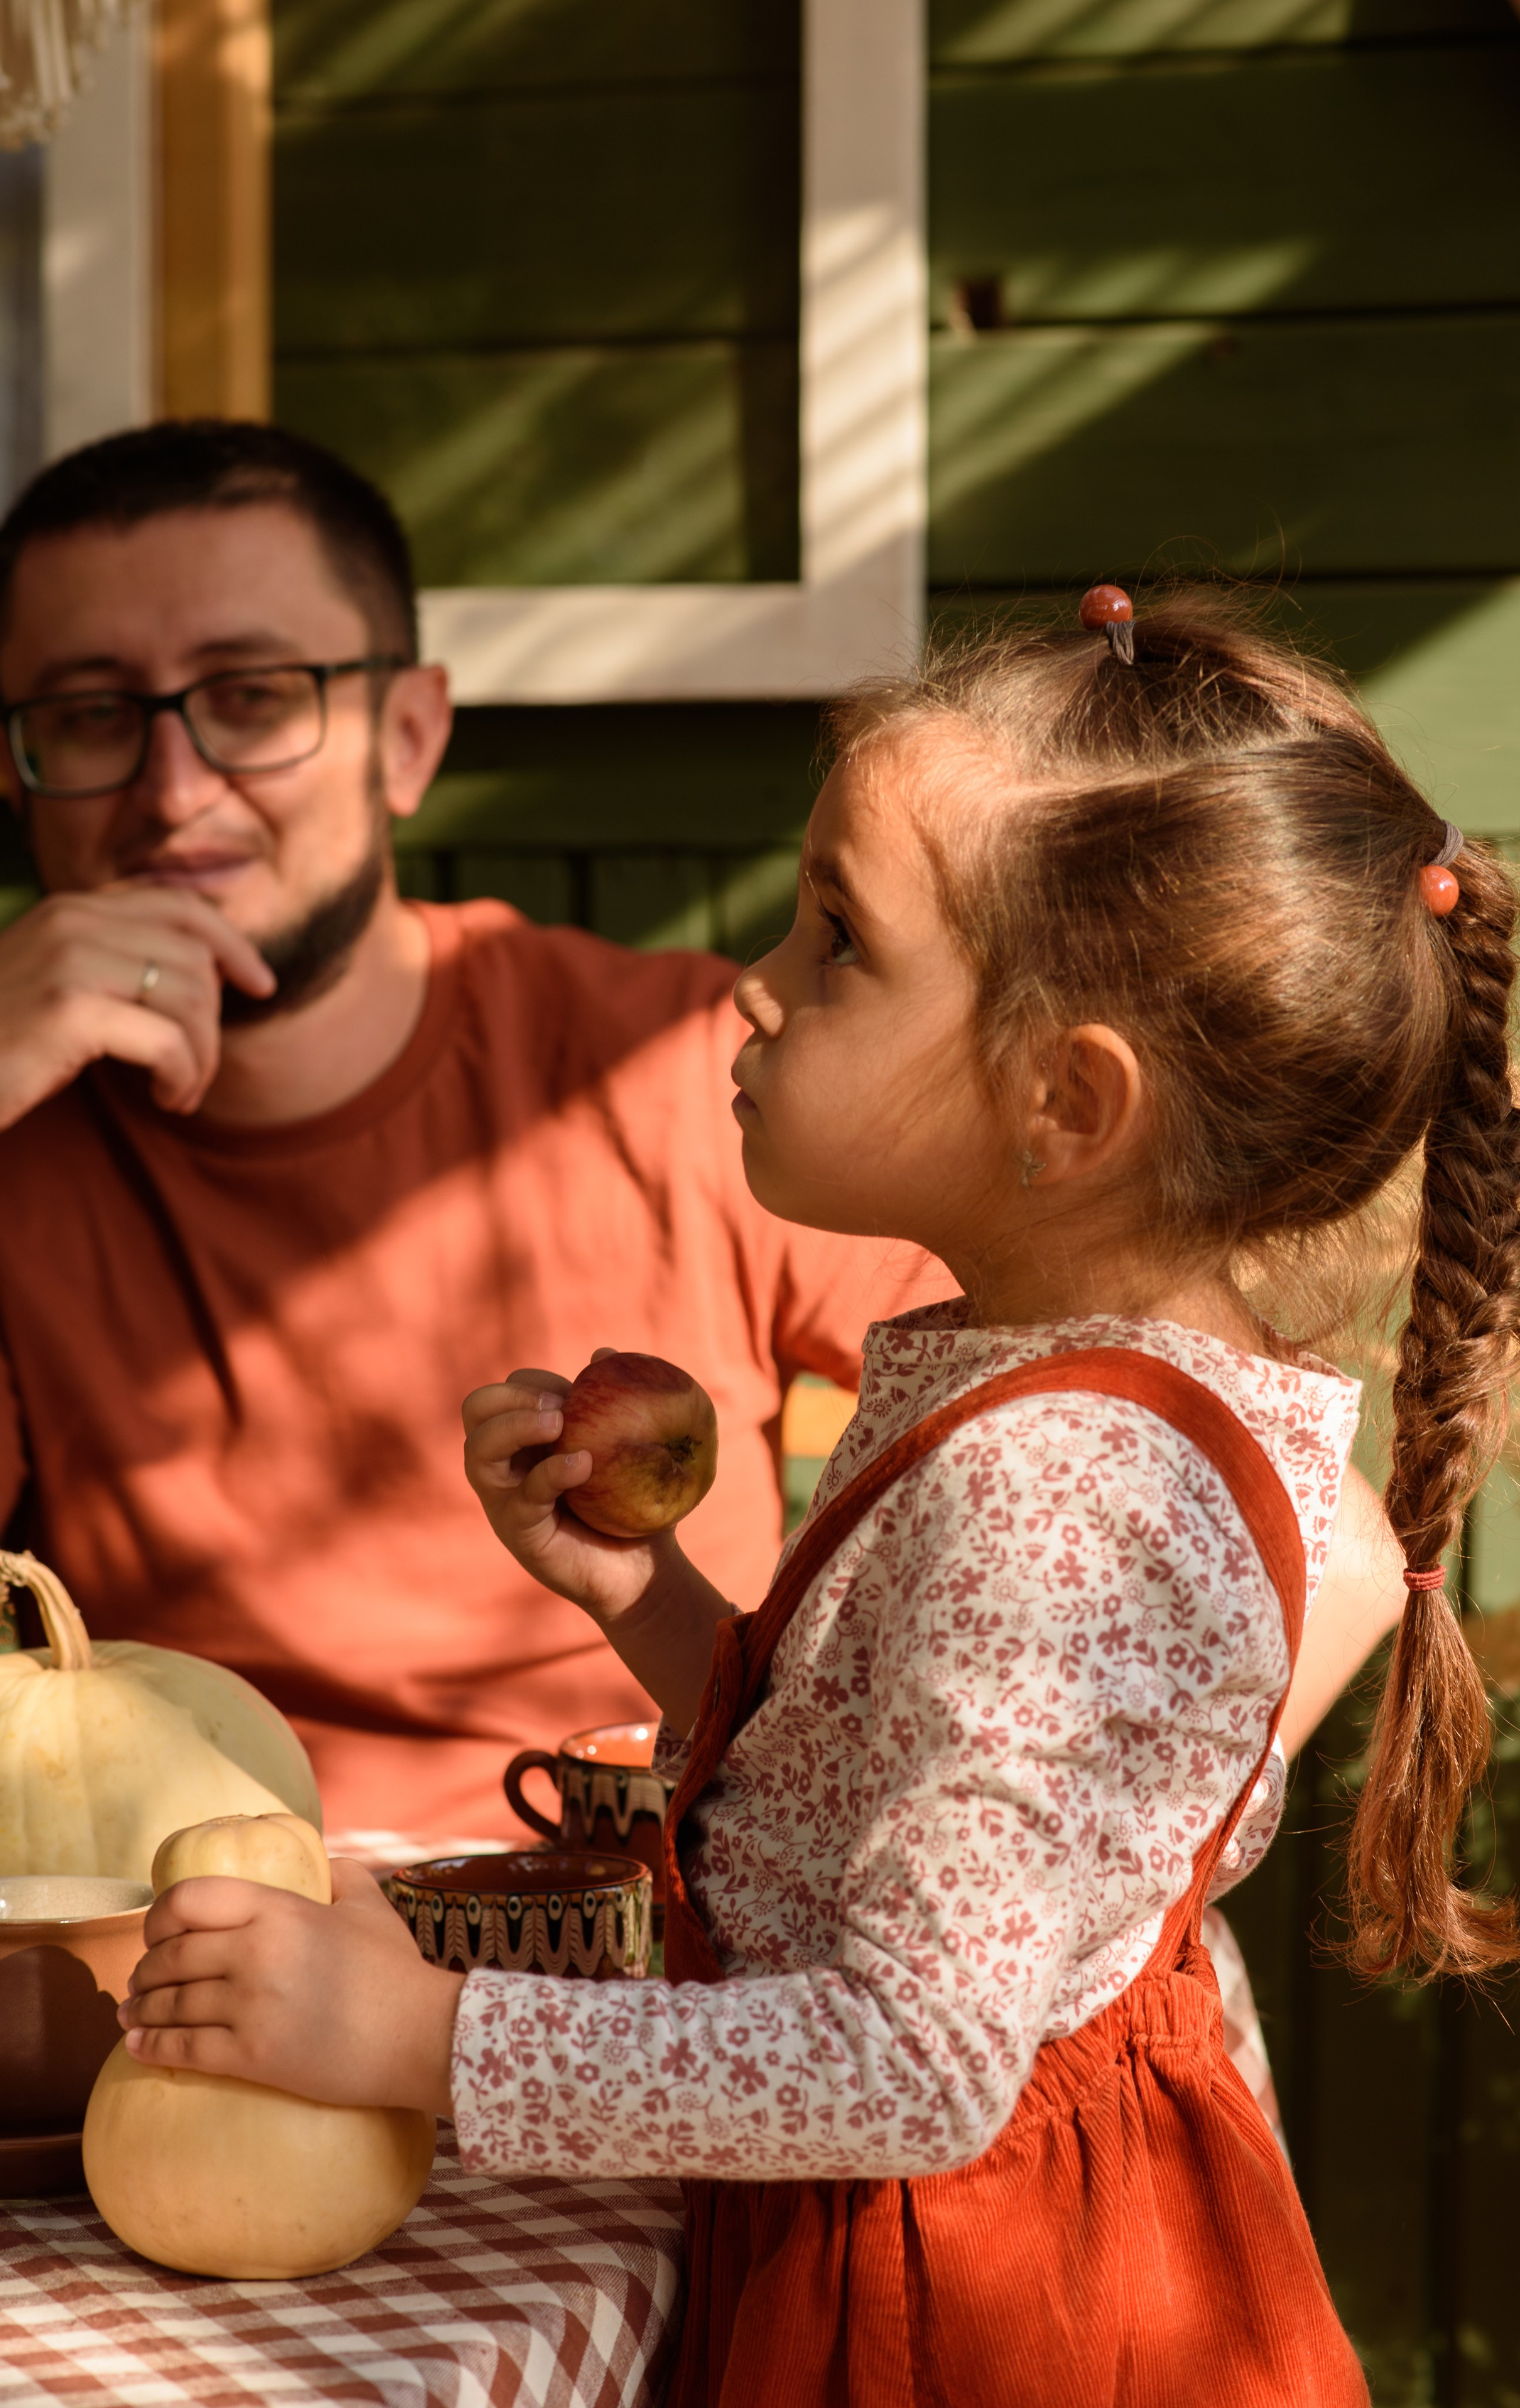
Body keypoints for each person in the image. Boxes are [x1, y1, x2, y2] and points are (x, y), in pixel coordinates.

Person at [119, 594, 1520, 2403]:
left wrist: (415, 2030)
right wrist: (648, 1596)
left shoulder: (1063, 1491)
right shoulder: (1065, 1380)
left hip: (966, 2309)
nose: (754, 981)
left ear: (1065, 1104)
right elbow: (863, 1780)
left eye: (840, 937)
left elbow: (913, 2061)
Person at [0, 419, 942, 1844]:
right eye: (88, 714)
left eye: (252, 697)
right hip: (204, 1933)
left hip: (655, 1924)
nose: (175, 789)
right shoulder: (19, 1142)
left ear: (408, 736)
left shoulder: (699, 1074)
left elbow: (1149, 1467)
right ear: (12, 771)